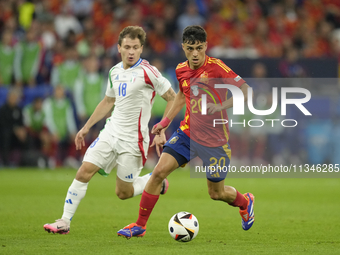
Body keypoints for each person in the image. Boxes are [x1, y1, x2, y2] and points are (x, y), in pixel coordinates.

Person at [117, 25, 255, 238]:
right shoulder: (181, 70)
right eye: (190, 48)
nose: (195, 53)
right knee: (158, 173)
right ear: (183, 47)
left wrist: (221, 106)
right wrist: (165, 121)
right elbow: (182, 95)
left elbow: (246, 91)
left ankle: (245, 202)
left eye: (199, 48)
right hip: (188, 133)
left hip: (215, 140)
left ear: (206, 46)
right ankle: (140, 225)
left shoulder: (217, 68)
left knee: (216, 193)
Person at [43, 26, 176, 234]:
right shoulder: (114, 71)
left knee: (123, 193)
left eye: (135, 47)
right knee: (84, 171)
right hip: (110, 132)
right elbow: (108, 101)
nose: (131, 51)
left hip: (134, 140)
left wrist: (161, 129)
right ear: (119, 48)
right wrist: (86, 127)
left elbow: (172, 97)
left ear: (141, 49)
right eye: (127, 47)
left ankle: (154, 181)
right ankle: (64, 221)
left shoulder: (149, 72)